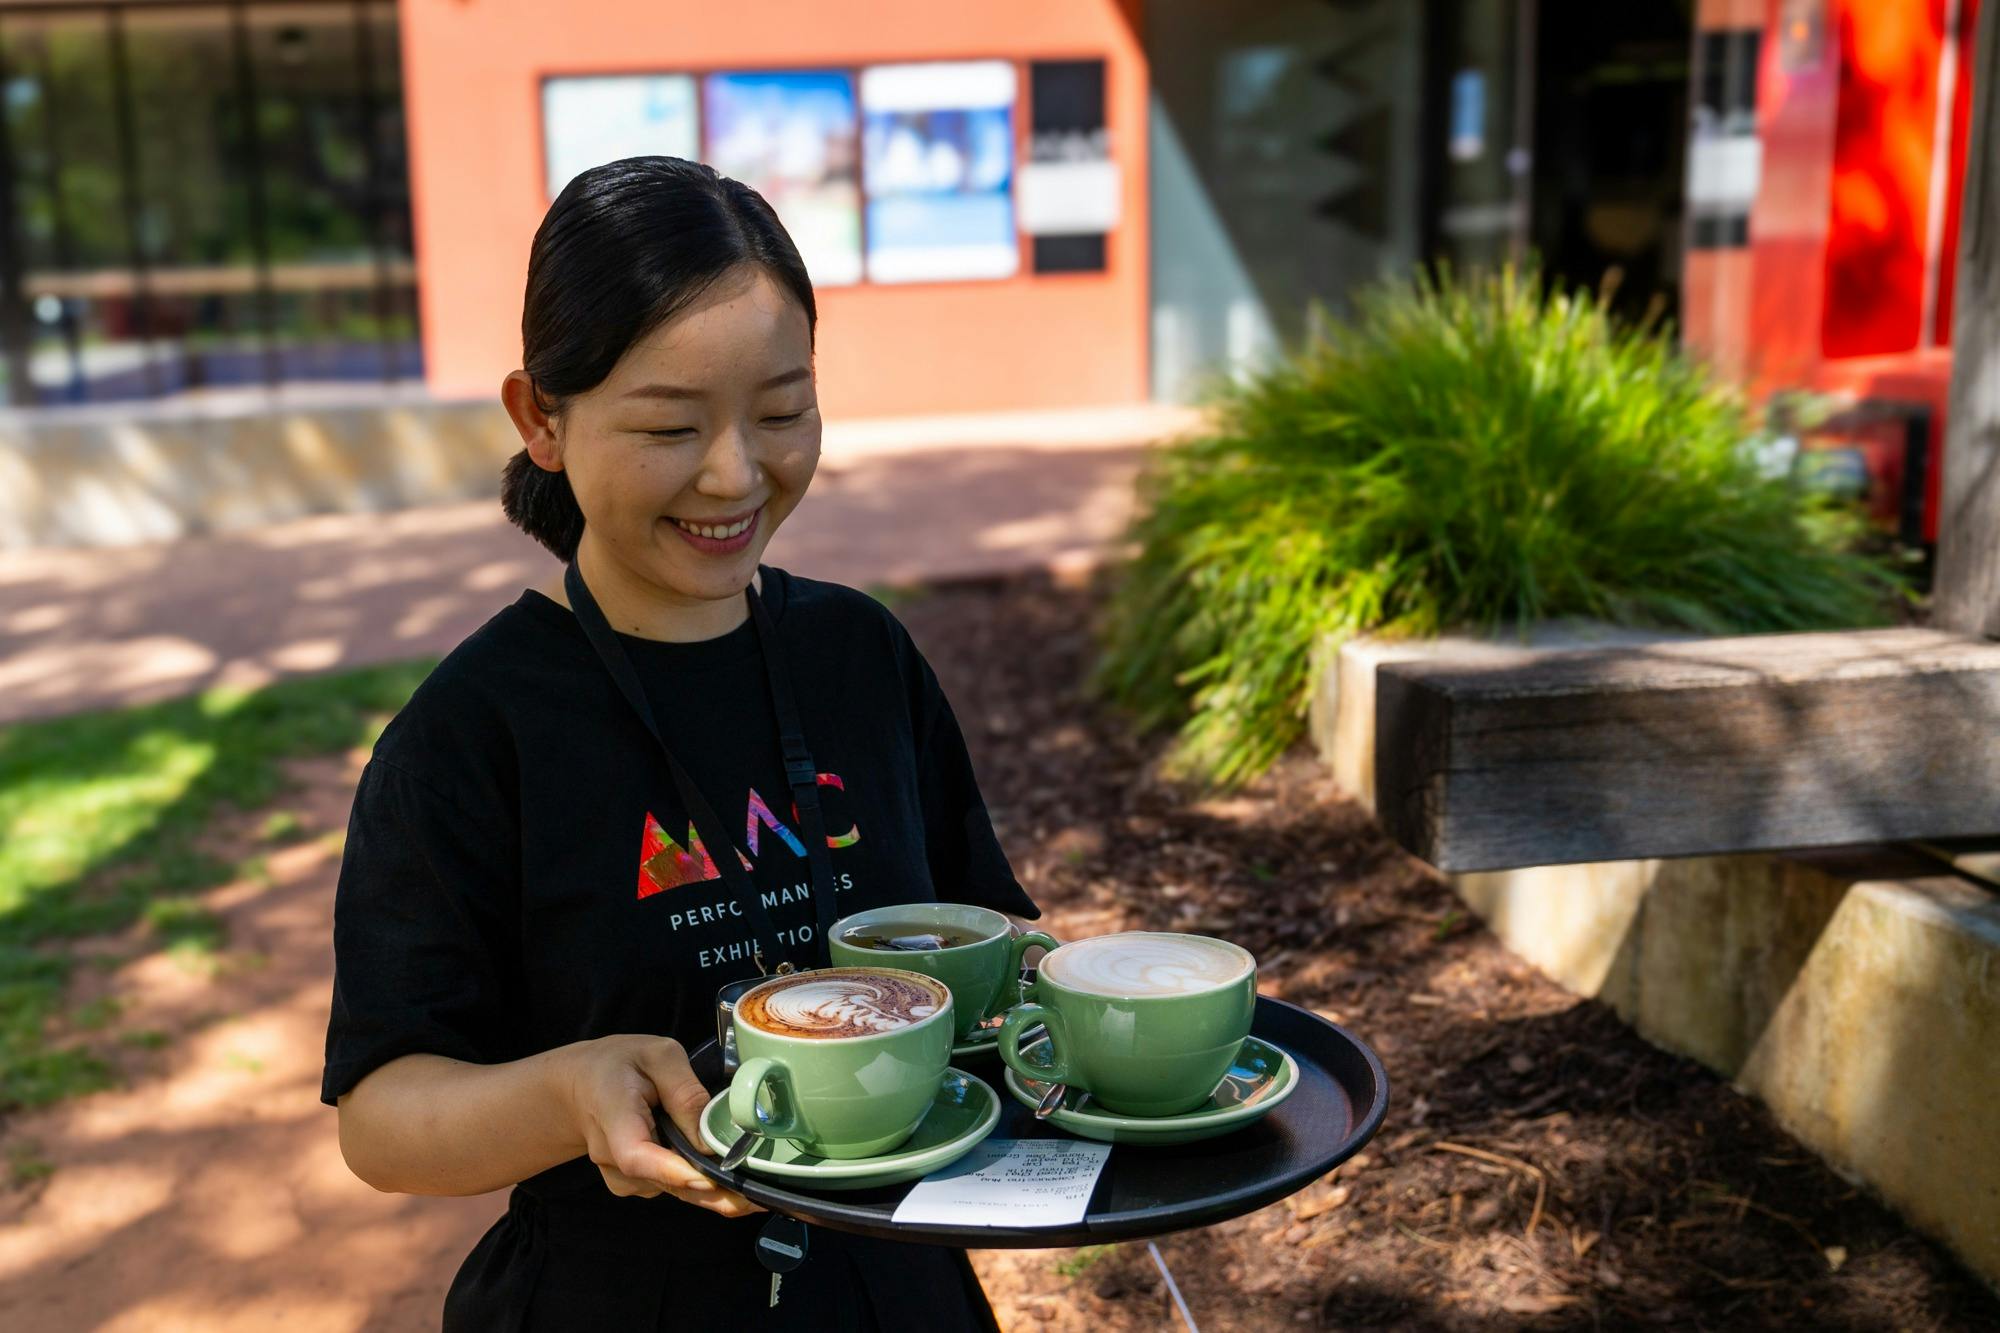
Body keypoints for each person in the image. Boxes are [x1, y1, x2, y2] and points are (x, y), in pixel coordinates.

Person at [322, 156, 1039, 1330]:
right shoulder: (468, 733)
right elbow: (383, 1117)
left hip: (897, 1286)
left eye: (781, 411)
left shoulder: (861, 654)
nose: (735, 474)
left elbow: (984, 931)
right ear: (539, 418)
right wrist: (568, 1088)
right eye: (669, 424)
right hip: (611, 1296)